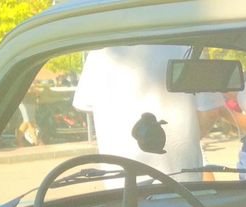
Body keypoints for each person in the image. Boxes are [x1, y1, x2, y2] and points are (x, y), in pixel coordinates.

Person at [72, 44, 223, 182]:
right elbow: (209, 112)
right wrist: (183, 138)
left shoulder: (101, 49)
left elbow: (88, 106)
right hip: (182, 183)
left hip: (121, 186)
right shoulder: (188, 43)